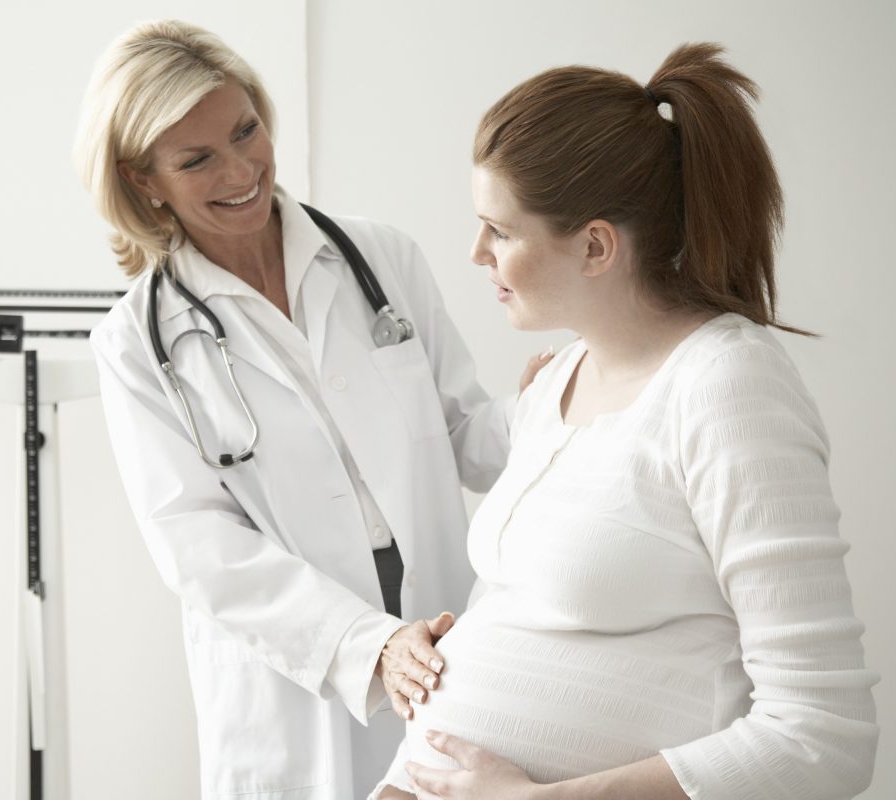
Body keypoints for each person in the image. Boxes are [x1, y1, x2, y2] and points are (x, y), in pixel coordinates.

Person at [373, 43, 879, 800]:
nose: (476, 252)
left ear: (596, 245)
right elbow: (533, 609)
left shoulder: (729, 390)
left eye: (501, 231)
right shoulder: (556, 381)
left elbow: (822, 737)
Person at [73, 20, 545, 800]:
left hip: (447, 639)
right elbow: (198, 547)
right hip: (296, 683)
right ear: (143, 179)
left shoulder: (379, 258)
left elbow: (467, 435)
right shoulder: (135, 344)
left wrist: (546, 405)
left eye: (245, 130)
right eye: (197, 160)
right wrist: (369, 645)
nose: (242, 169)